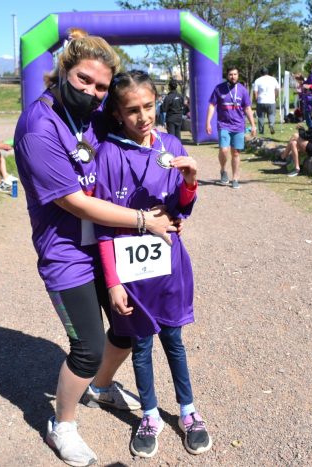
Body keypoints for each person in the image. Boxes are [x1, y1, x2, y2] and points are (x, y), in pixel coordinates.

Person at [13, 35, 176, 467]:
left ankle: (101, 387)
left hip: (108, 242)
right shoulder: (38, 128)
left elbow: (132, 115)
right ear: (64, 70)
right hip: (66, 251)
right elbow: (74, 202)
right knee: (86, 346)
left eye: (101, 87)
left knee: (127, 326)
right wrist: (145, 222)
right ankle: (61, 425)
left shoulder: (93, 110)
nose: (92, 91)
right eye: (83, 79)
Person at [95, 69, 211, 459]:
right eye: (132, 110)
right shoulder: (108, 154)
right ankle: (149, 415)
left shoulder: (171, 143)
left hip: (169, 265)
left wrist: (190, 183)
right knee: (141, 344)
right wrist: (112, 282)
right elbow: (103, 225)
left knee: (174, 341)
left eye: (149, 106)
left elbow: (180, 209)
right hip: (130, 272)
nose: (143, 117)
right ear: (117, 113)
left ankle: (189, 412)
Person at [205, 66, 257, 189]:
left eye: (235, 74)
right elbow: (212, 105)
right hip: (223, 124)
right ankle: (223, 170)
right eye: (230, 74)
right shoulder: (219, 88)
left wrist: (253, 125)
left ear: (238, 75)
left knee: (235, 153)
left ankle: (235, 178)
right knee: (224, 150)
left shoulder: (243, 90)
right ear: (227, 76)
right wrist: (207, 122)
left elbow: (247, 108)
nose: (233, 77)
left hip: (239, 126)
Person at [274, 105, 312, 176]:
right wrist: (303, 131)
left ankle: (283, 157)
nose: (311, 116)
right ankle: (297, 168)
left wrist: (301, 129)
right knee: (293, 143)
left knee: (295, 135)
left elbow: (306, 136)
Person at [253, 67, 280, 135]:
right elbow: (277, 89)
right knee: (271, 114)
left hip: (261, 101)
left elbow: (255, 92)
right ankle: (271, 125)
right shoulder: (273, 79)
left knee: (261, 117)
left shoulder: (257, 80)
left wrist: (256, 100)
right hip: (271, 101)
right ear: (268, 72)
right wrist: (275, 97)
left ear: (261, 73)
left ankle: (261, 131)